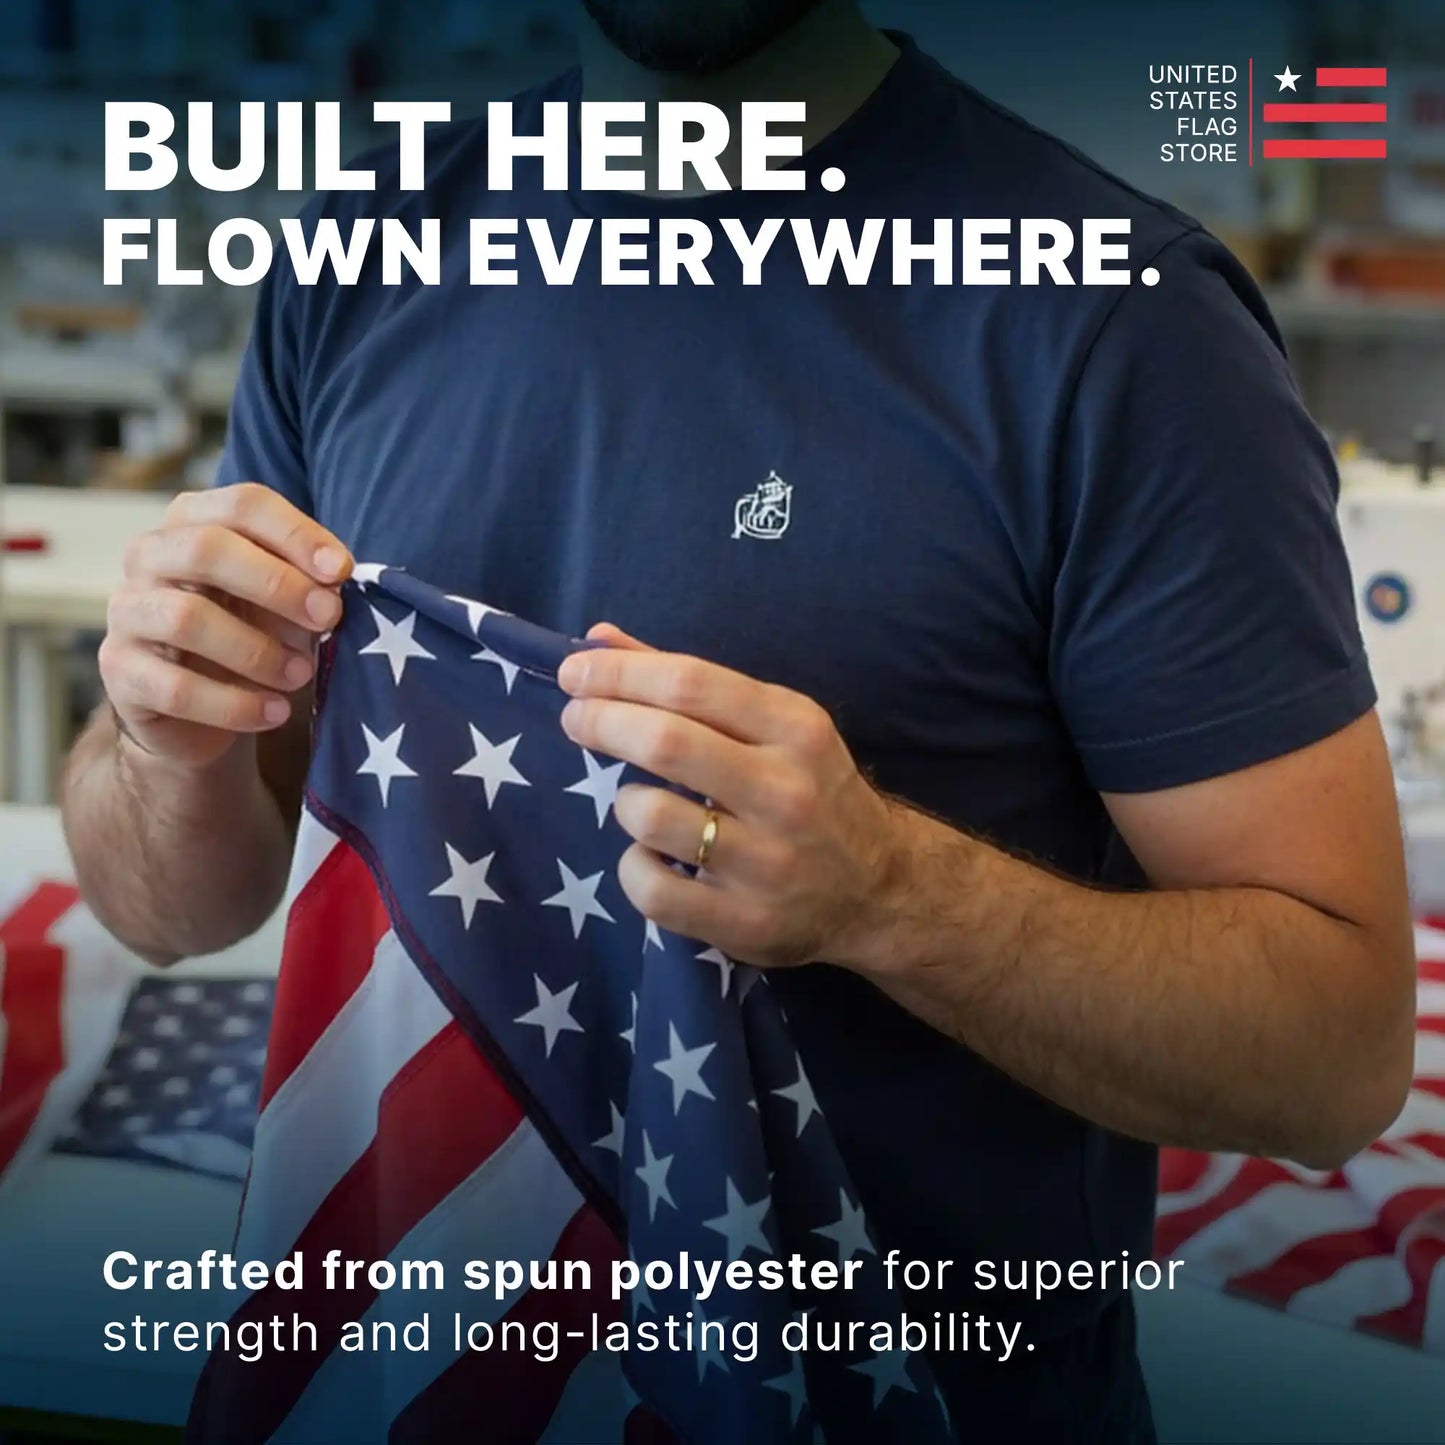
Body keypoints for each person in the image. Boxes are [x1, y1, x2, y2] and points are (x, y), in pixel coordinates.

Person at [62, 0, 1416, 1439]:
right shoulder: (363, 254)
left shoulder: (1121, 325)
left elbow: (1333, 1056)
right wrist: (160, 741)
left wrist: (892, 893)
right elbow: (169, 906)